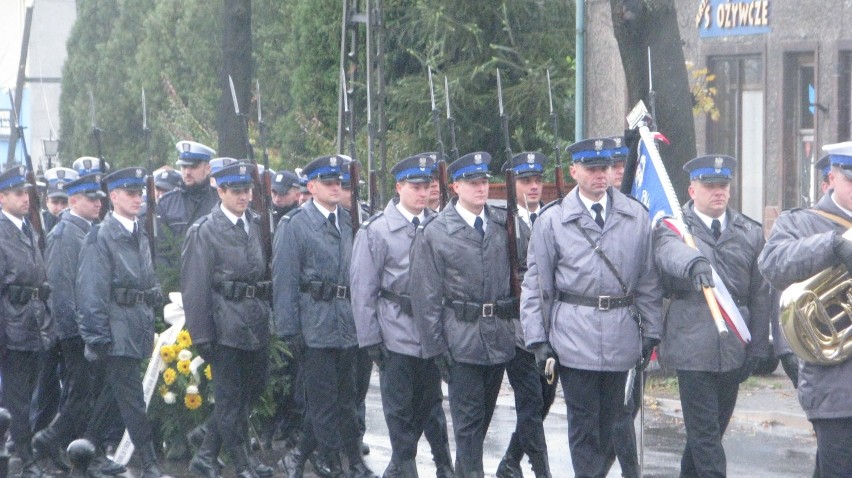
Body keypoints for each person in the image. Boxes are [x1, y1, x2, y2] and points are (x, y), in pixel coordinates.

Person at [520, 138, 662, 478]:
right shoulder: (553, 221)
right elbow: (537, 285)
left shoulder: (635, 216)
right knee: (583, 425)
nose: (601, 175)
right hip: (574, 335)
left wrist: (652, 331)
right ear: (574, 171)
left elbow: (647, 280)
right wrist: (538, 340)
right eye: (592, 168)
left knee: (616, 423)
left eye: (607, 168)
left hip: (621, 333)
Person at [654, 155, 772, 478]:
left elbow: (761, 295)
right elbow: (668, 255)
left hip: (733, 350)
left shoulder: (749, 232)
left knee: (706, 438)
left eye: (723, 185)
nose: (718, 192)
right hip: (692, 349)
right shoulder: (677, 229)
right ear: (692, 190)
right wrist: (693, 262)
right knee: (706, 442)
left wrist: (759, 347)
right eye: (709, 186)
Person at [410, 151, 516, 477]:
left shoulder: (501, 224)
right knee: (468, 428)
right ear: (456, 186)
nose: (481, 188)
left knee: (480, 424)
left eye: (484, 181)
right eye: (472, 182)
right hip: (461, 340)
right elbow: (425, 296)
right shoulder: (436, 231)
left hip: (497, 338)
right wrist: (435, 348)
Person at [350, 153, 454, 477]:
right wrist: (370, 339)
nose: (422, 192)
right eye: (415, 186)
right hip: (395, 329)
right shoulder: (377, 231)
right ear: (399, 187)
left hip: (431, 333)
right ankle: (405, 466)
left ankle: (402, 465)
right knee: (399, 409)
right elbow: (363, 289)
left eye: (427, 186)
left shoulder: (438, 226)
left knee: (429, 403)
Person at [273, 155, 376, 478]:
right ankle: (331, 460)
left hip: (346, 323)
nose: (336, 188)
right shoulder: (295, 225)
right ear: (312, 186)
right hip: (314, 324)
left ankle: (317, 458)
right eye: (329, 183)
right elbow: (285, 281)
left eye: (339, 183)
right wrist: (290, 331)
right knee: (322, 401)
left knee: (347, 398)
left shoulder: (348, 222)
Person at [759, 141, 852, 477]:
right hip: (837, 389)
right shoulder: (802, 223)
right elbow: (771, 263)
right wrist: (832, 246)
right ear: (832, 178)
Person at [77, 167, 169, 478]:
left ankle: (85, 448)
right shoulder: (101, 235)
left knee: (115, 393)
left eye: (140, 193)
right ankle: (149, 461)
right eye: (130, 193)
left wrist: (154, 295)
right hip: (115, 328)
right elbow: (91, 290)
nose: (137, 198)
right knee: (132, 397)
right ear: (113, 196)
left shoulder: (137, 231)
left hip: (134, 324)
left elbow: (146, 276)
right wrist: (97, 335)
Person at [182, 163, 273, 478]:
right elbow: (195, 289)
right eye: (236, 191)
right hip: (225, 326)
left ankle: (206, 452)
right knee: (230, 398)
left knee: (253, 389)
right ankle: (242, 463)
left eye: (247, 190)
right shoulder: (205, 230)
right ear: (219, 190)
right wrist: (202, 335)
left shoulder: (258, 224)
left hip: (255, 324)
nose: (244, 197)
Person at [32, 173, 105, 471]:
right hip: (76, 330)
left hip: (90, 326)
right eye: (91, 198)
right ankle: (50, 438)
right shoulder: (65, 234)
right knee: (81, 392)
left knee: (84, 392)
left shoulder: (89, 231)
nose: (98, 203)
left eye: (99, 198)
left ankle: (64, 445)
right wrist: (74, 332)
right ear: (74, 201)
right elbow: (61, 289)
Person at [495, 152, 554, 478]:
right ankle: (541, 470)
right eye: (525, 181)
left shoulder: (551, 218)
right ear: (511, 185)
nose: (533, 186)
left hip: (549, 326)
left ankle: (509, 461)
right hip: (517, 327)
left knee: (545, 400)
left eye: (537, 179)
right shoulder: (502, 222)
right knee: (530, 402)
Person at [0, 165, 56, 478]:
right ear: (1, 197)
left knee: (29, 394)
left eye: (26, 192)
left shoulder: (27, 229)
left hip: (33, 323)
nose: (26, 198)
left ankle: (18, 450)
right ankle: (26, 459)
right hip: (12, 326)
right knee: (17, 398)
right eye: (19, 193)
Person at [156, 141, 219, 268]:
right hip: (177, 279)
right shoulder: (167, 204)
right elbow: (160, 251)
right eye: (184, 167)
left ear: (207, 168)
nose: (187, 172)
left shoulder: (219, 200)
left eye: (193, 167)